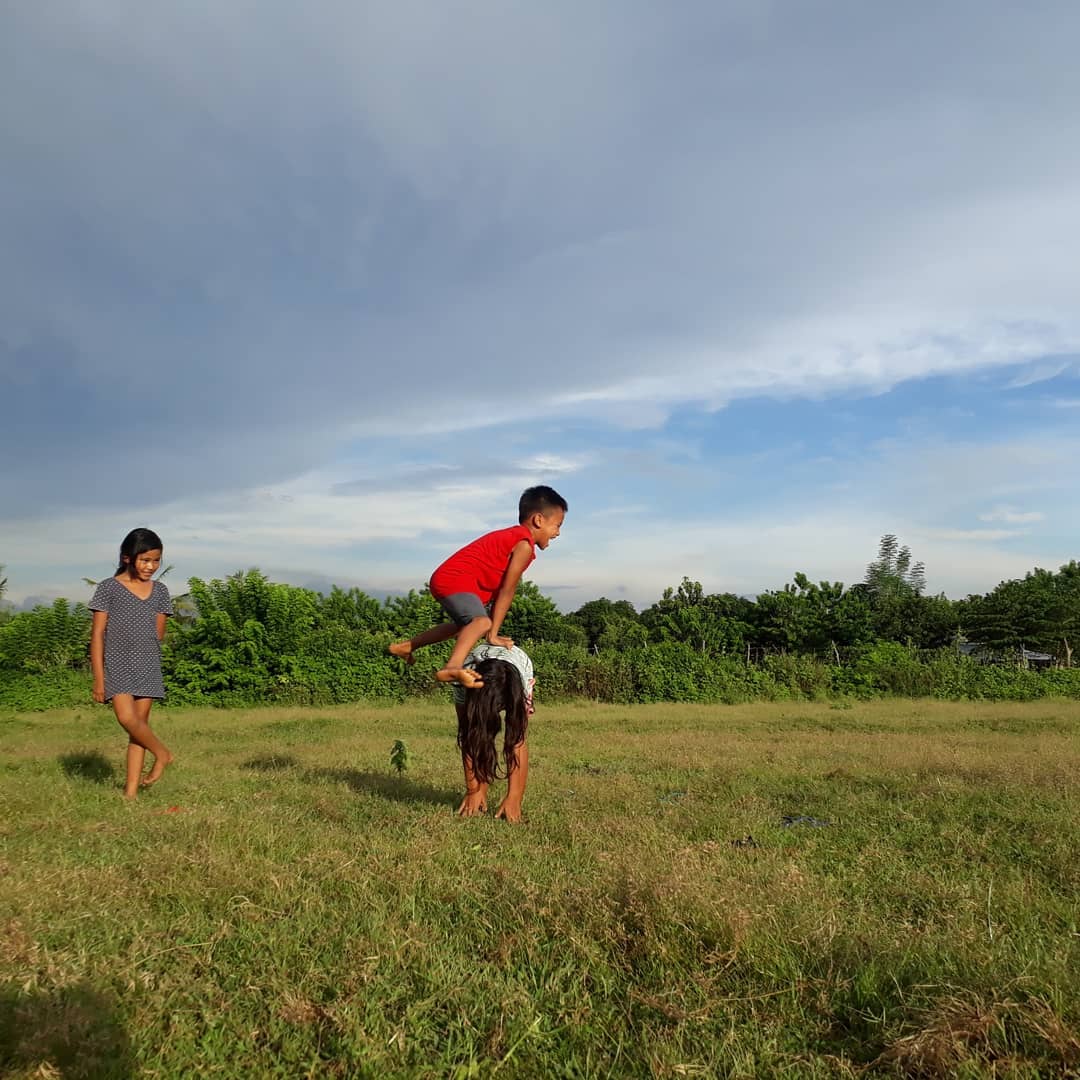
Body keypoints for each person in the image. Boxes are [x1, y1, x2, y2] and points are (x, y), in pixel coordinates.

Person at [389, 485, 566, 687]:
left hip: (449, 579)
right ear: (538, 520)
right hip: (454, 579)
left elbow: (501, 590)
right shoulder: (523, 543)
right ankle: (452, 667)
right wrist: (492, 633)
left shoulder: (515, 538)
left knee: (464, 628)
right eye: (557, 525)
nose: (558, 533)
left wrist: (491, 631)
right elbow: (507, 591)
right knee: (481, 623)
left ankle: (406, 647)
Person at [89, 528, 174, 799]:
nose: (151, 566)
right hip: (117, 664)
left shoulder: (160, 591)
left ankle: (130, 793)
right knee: (126, 718)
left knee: (139, 729)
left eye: (156, 560)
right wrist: (99, 679)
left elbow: (159, 634)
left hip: (148, 663)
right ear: (127, 558)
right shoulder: (108, 588)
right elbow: (97, 635)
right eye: (145, 560)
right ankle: (162, 754)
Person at [453, 643, 535, 823]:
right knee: (477, 733)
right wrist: (473, 790)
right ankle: (479, 791)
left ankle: (512, 800)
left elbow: (517, 740)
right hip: (475, 688)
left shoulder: (522, 682)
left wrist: (515, 797)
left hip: (517, 675)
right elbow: (467, 735)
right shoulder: (463, 677)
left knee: (515, 736)